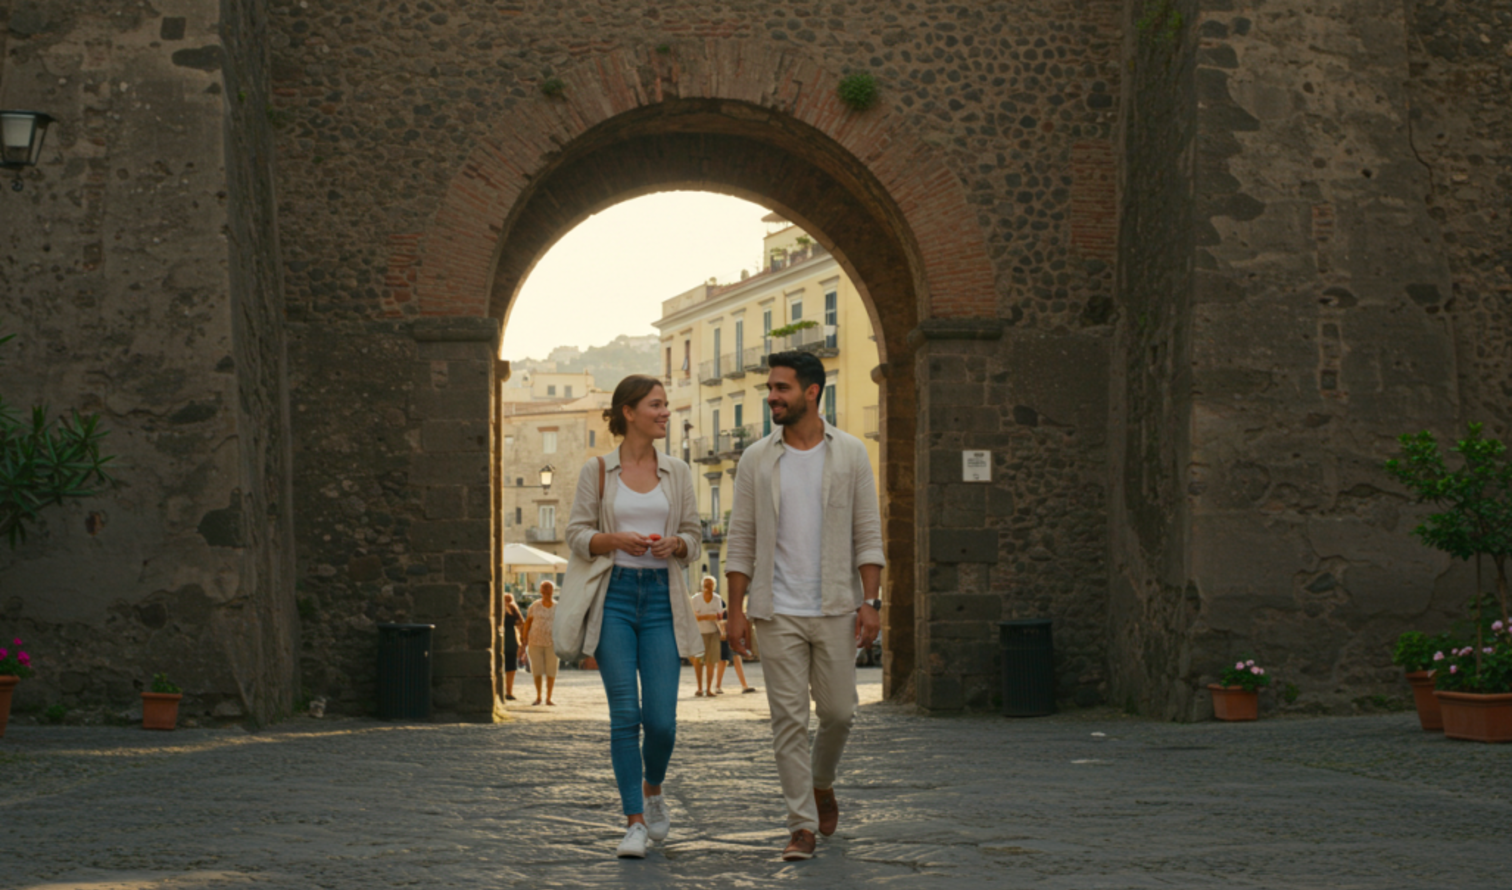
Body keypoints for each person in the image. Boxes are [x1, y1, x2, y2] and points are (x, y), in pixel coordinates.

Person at [724, 351, 884, 862]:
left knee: (839, 714)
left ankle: (821, 783)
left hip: (837, 605)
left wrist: (871, 601)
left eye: (781, 388)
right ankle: (801, 827)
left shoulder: (852, 454)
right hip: (776, 610)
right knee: (788, 721)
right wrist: (735, 610)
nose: (772, 396)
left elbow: (867, 533)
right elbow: (741, 538)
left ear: (812, 392)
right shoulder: (756, 459)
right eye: (769, 388)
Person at [564, 374, 703, 859]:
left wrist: (678, 544)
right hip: (614, 598)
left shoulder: (678, 473)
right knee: (625, 715)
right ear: (629, 412)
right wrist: (612, 540)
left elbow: (693, 537)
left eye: (666, 405)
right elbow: (577, 534)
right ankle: (634, 823)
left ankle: (654, 788)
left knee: (662, 722)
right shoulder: (597, 471)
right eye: (657, 405)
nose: (666, 412)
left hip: (663, 601)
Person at [521, 580, 558, 706]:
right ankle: (538, 697)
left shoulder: (558, 607)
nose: (547, 591)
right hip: (535, 642)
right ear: (541, 591)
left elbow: (562, 625)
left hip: (552, 643)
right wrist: (524, 639)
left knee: (551, 671)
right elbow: (527, 623)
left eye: (549, 589)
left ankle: (549, 698)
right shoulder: (535, 606)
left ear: (553, 591)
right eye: (544, 589)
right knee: (536, 670)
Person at [690, 576, 725, 696]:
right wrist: (709, 616)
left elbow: (718, 617)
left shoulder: (717, 599)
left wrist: (703, 617)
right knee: (698, 661)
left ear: (714, 586)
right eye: (705, 584)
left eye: (710, 584)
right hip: (698, 633)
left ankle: (709, 689)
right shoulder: (695, 599)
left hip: (713, 633)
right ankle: (699, 688)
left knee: (711, 662)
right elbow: (693, 617)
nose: (707, 586)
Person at [502, 593, 525, 701]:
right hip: (502, 640)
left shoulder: (513, 610)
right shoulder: (500, 611)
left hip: (511, 640)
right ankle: (502, 691)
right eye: (505, 599)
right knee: (502, 667)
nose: (507, 601)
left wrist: (521, 641)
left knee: (511, 668)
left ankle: (509, 692)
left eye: (509, 599)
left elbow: (521, 622)